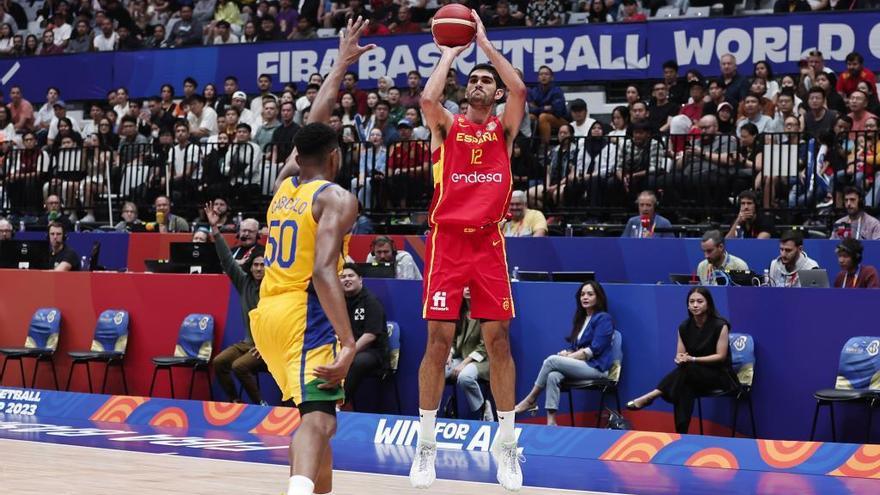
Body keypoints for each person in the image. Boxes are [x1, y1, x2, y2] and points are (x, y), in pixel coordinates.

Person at [249, 18, 374, 495]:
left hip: (267, 315)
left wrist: (340, 64)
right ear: (337, 157)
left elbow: (313, 125)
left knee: (319, 420)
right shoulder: (337, 198)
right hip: (306, 317)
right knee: (319, 422)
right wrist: (346, 344)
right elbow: (324, 271)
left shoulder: (286, 181)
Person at [410, 10, 527, 491]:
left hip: (489, 243)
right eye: (472, 80)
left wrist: (486, 45)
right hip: (447, 243)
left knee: (498, 341)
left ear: (494, 92)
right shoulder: (446, 127)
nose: (478, 84)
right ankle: (426, 447)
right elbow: (426, 97)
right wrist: (450, 53)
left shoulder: (503, 130)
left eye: (486, 81)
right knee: (437, 342)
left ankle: (506, 446)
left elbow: (519, 91)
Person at [626, 288, 739, 434]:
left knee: (687, 371)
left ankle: (652, 395)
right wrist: (680, 359)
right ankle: (681, 433)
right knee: (684, 386)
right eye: (691, 302)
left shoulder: (720, 325)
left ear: (708, 304)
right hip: (693, 375)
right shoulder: (684, 327)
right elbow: (680, 354)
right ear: (687, 305)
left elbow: (720, 356)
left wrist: (692, 359)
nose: (695, 305)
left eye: (699, 301)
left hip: (720, 375)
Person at [514, 281, 615, 426]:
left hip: (597, 368)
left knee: (551, 361)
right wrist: (567, 352)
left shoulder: (604, 318)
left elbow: (593, 350)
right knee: (552, 375)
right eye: (582, 294)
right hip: (583, 365)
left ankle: (531, 399)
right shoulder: (582, 319)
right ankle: (551, 422)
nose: (585, 297)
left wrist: (569, 357)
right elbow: (577, 347)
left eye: (590, 294)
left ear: (598, 298)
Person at [205, 203, 268, 405]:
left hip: (270, 346)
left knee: (239, 366)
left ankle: (260, 405)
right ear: (250, 267)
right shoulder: (244, 283)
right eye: (256, 265)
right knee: (219, 362)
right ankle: (234, 400)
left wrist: (267, 345)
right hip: (247, 343)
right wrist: (215, 230)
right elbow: (227, 260)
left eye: (263, 265)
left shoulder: (277, 288)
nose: (259, 269)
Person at [339, 263, 389, 403]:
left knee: (356, 362)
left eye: (351, 276)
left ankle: (339, 402)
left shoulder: (371, 301)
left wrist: (348, 353)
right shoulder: (337, 303)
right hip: (346, 350)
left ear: (360, 279)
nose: (346, 279)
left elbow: (370, 336)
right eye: (342, 277)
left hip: (373, 353)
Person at [446, 287, 493, 421]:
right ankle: (432, 416)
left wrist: (464, 364)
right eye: (464, 286)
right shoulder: (459, 312)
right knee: (438, 371)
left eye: (470, 285)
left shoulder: (485, 312)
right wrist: (449, 353)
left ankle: (483, 409)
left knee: (465, 377)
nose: (467, 289)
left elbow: (484, 347)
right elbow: (453, 341)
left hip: (483, 360)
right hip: (461, 357)